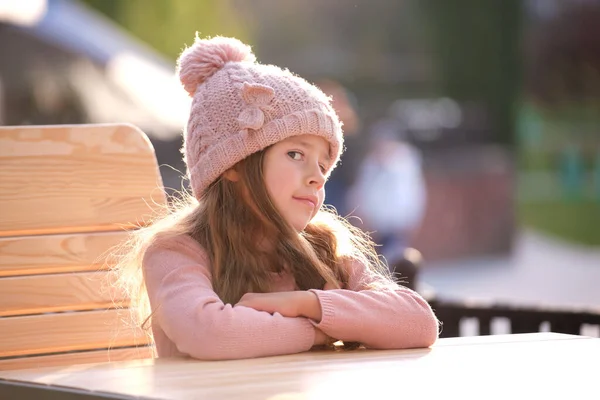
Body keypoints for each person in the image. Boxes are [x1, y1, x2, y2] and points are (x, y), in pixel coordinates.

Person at [111, 36, 438, 361]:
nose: (317, 176)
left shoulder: (322, 250)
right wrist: (324, 330)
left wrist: (305, 303)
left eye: (324, 164)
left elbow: (418, 322)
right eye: (295, 154)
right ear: (233, 165)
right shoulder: (176, 251)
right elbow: (208, 333)